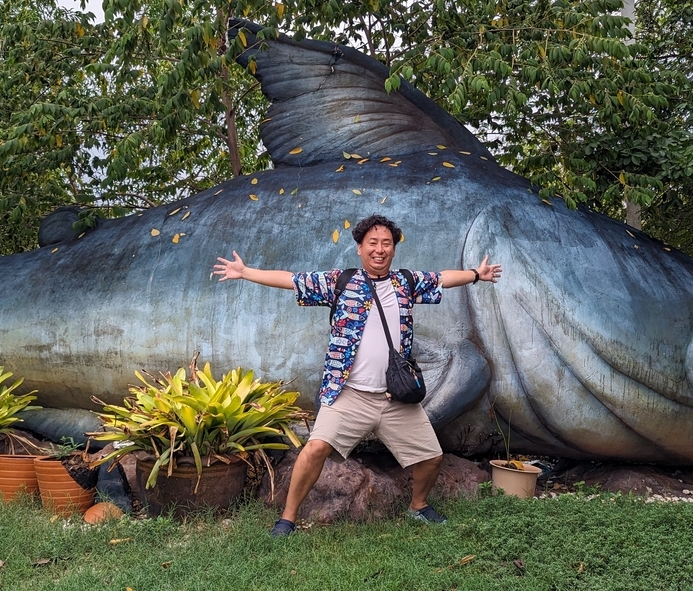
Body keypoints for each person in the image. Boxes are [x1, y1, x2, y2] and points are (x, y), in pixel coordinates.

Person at [212, 214, 502, 536]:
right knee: (315, 449)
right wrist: (245, 272)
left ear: (393, 249)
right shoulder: (340, 282)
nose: (380, 250)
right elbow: (291, 279)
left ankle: (418, 506)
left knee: (432, 457)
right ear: (360, 248)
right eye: (373, 243)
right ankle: (288, 519)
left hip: (395, 397)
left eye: (386, 244)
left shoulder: (404, 282)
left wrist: (478, 274)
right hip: (348, 392)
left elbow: (443, 278)